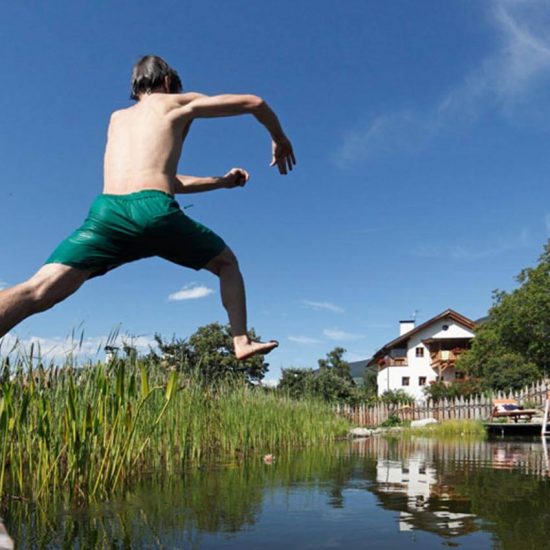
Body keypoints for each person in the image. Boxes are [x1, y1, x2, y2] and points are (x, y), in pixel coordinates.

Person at [0, 55, 296, 360]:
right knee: (227, 265)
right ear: (168, 82)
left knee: (37, 289)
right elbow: (255, 102)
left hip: (107, 214)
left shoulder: (117, 119)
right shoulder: (177, 102)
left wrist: (221, 182)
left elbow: (169, 180)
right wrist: (279, 138)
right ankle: (241, 341)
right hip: (155, 211)